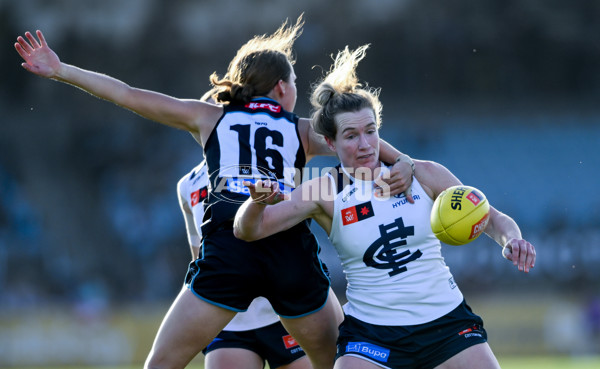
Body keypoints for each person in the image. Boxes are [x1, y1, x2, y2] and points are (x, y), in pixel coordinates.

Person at [14, 17, 415, 369]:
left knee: (160, 365)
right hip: (286, 245)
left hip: (230, 250)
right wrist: (401, 163)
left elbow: (127, 94)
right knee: (340, 362)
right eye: (293, 83)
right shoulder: (302, 129)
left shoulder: (209, 116)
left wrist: (61, 69)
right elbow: (357, 144)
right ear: (281, 88)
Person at [234, 45, 537, 369]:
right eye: (351, 136)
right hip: (371, 337)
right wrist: (256, 202)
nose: (364, 144)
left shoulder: (424, 173)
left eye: (370, 131)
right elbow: (248, 230)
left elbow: (492, 217)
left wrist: (512, 240)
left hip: (447, 326)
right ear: (331, 143)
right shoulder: (323, 189)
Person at [178, 158, 309, 369]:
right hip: (229, 322)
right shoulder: (188, 184)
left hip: (285, 314)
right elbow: (199, 257)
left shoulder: (275, 159)